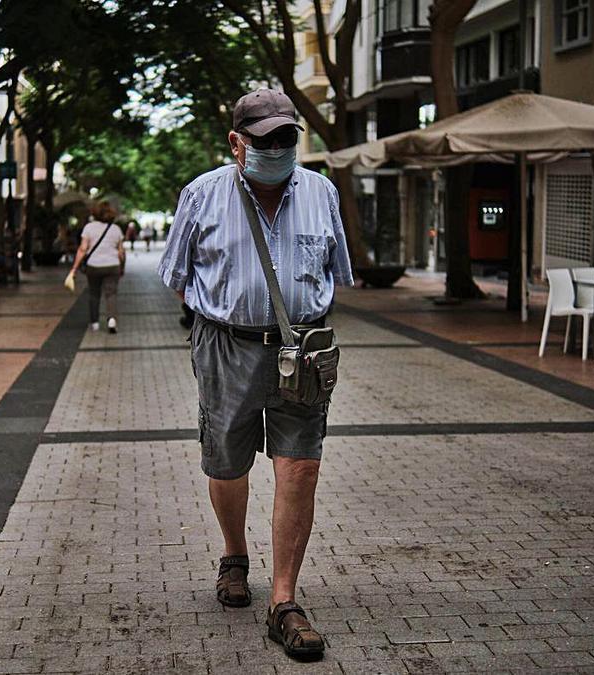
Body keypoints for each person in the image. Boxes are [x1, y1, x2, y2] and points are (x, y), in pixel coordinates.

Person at [157, 88, 353, 661]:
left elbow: (335, 271)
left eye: (286, 137)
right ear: (236, 143)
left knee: (301, 467)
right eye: (264, 139)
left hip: (304, 349)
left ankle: (284, 602)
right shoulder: (202, 195)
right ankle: (234, 554)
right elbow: (176, 274)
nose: (277, 147)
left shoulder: (321, 193)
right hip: (225, 346)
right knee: (227, 460)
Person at [70, 201, 126, 333]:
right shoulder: (116, 229)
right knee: (111, 294)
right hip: (113, 266)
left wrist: (74, 268)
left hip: (93, 266)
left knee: (94, 294)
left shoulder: (89, 228)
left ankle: (94, 323)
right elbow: (121, 252)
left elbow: (83, 249)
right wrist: (122, 267)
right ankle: (111, 320)